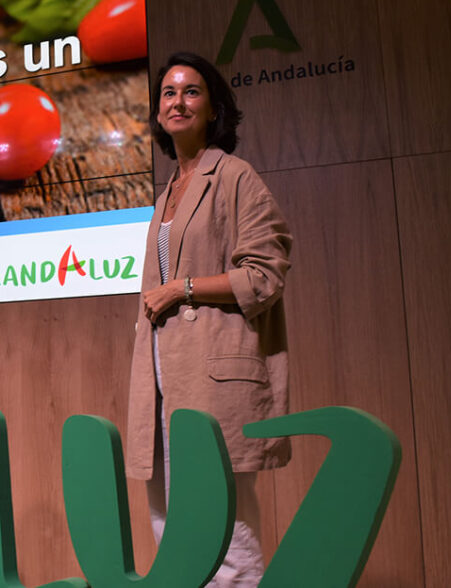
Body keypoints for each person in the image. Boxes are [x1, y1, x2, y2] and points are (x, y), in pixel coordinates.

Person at [126, 52, 292, 586]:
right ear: (158, 112)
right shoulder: (166, 193)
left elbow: (264, 274)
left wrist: (183, 288)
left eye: (191, 91)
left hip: (211, 373)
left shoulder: (236, 176)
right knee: (168, 522)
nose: (178, 101)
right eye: (168, 93)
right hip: (160, 374)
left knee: (225, 528)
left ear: (213, 108)